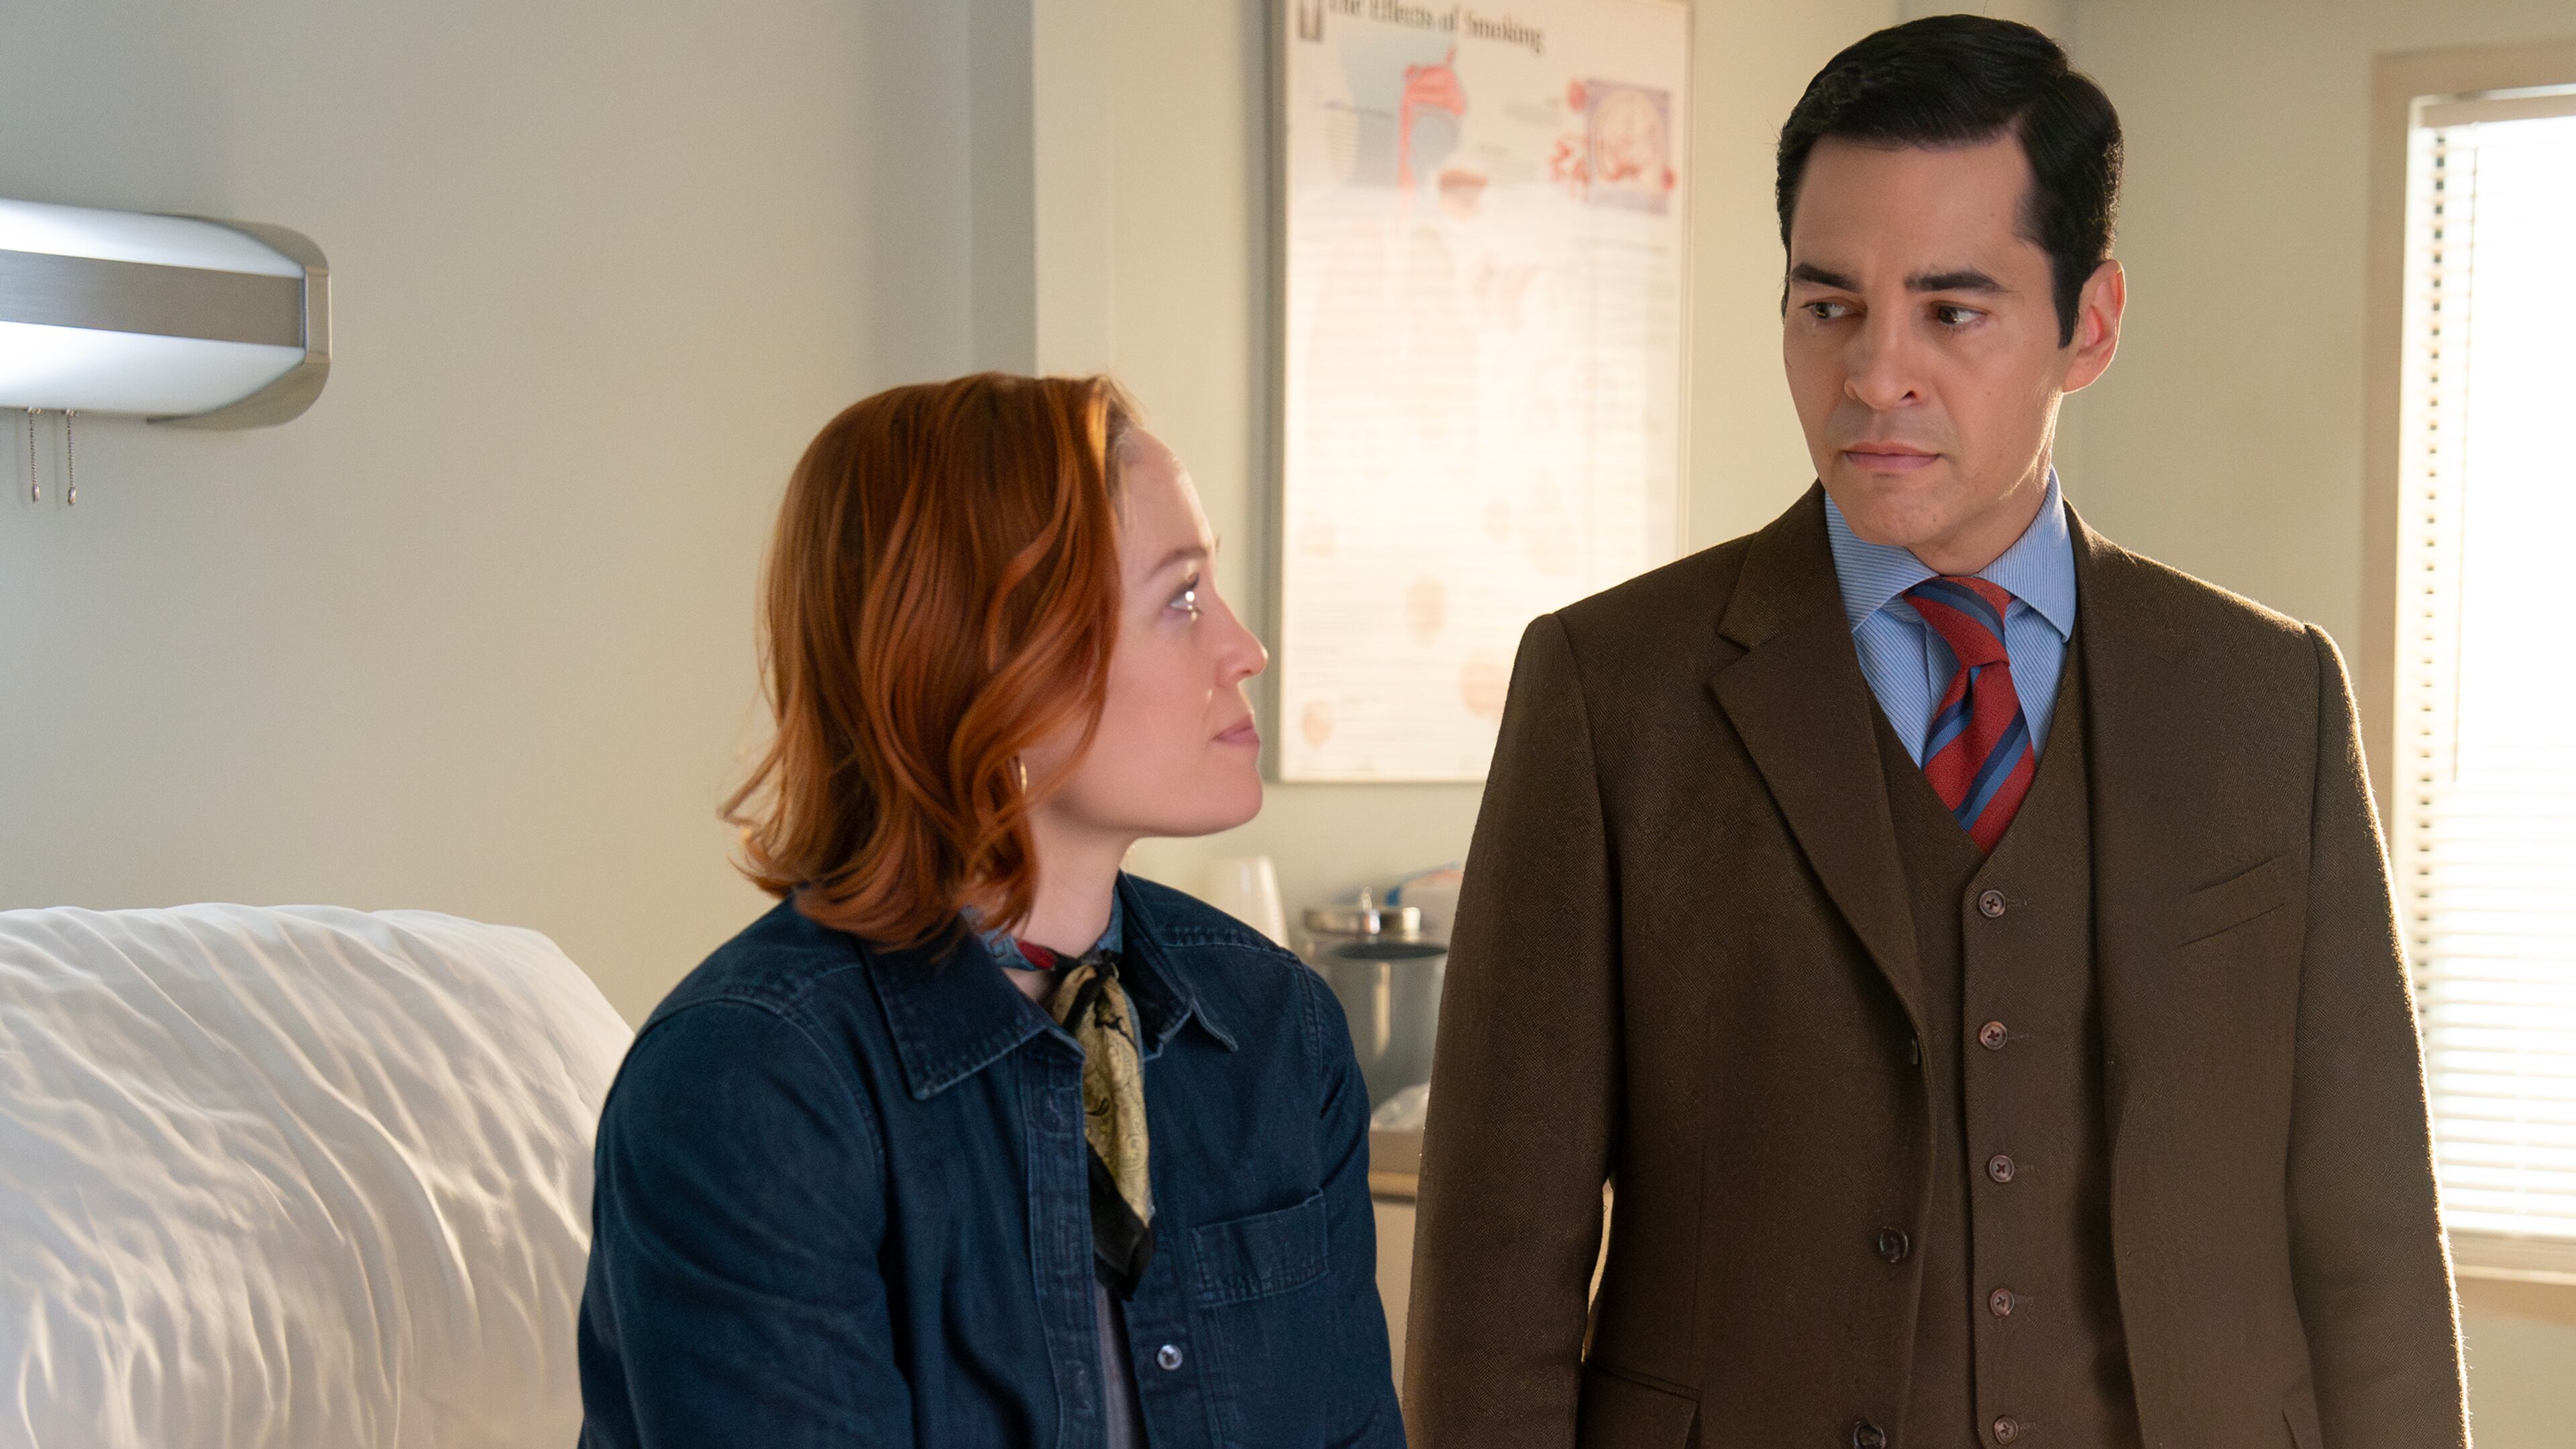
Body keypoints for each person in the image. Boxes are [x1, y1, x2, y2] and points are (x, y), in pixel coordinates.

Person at [1404, 17, 2463, 1449]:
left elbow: (2373, 1249)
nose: (1873, 375)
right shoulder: (1608, 691)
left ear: (2088, 325)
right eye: (1827, 305)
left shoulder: (2265, 697)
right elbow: (1494, 1281)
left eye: (1951, 313)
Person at [577, 373, 1403, 1448]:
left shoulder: (1279, 1025)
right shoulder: (748, 1085)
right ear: (1001, 656)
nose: (1246, 650)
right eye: (1182, 599)